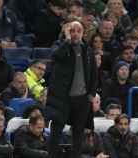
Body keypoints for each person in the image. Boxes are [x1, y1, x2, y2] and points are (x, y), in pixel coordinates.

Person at [47, 21, 97, 158]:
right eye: (72, 31)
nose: (75, 34)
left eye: (78, 31)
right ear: (67, 32)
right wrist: (67, 40)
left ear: (82, 33)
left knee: (78, 133)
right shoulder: (60, 46)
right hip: (62, 98)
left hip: (82, 99)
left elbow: (94, 73)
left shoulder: (88, 50)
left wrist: (91, 93)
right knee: (56, 130)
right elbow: (56, 57)